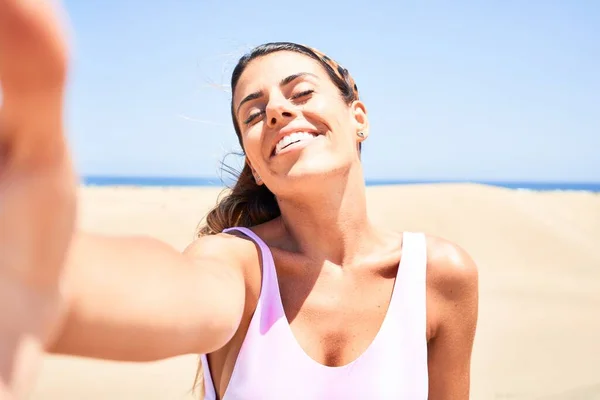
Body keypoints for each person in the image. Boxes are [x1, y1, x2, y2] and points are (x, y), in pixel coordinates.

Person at [0, 1, 479, 399]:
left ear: (359, 118)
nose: (277, 110)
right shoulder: (239, 265)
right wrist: (47, 283)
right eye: (253, 114)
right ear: (256, 164)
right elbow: (176, 294)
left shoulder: (440, 276)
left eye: (302, 91)